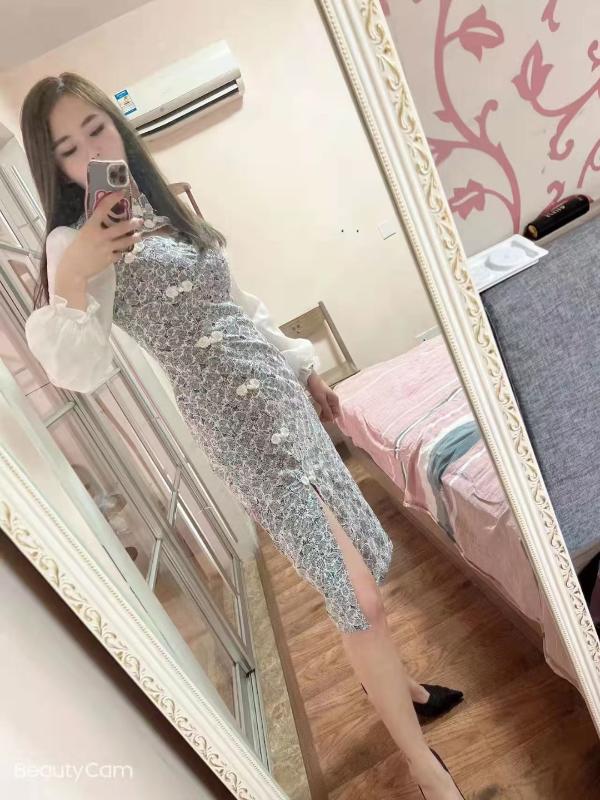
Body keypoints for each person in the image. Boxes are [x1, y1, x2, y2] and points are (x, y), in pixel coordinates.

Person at [21, 72, 465, 800]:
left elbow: (238, 303)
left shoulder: (160, 203)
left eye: (96, 128)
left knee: (357, 558)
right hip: (236, 428)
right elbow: (78, 369)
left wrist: (305, 370)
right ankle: (422, 766)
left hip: (281, 397)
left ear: (117, 125)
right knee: (354, 596)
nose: (91, 151)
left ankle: (407, 689)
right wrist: (72, 277)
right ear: (55, 165)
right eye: (68, 148)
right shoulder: (73, 242)